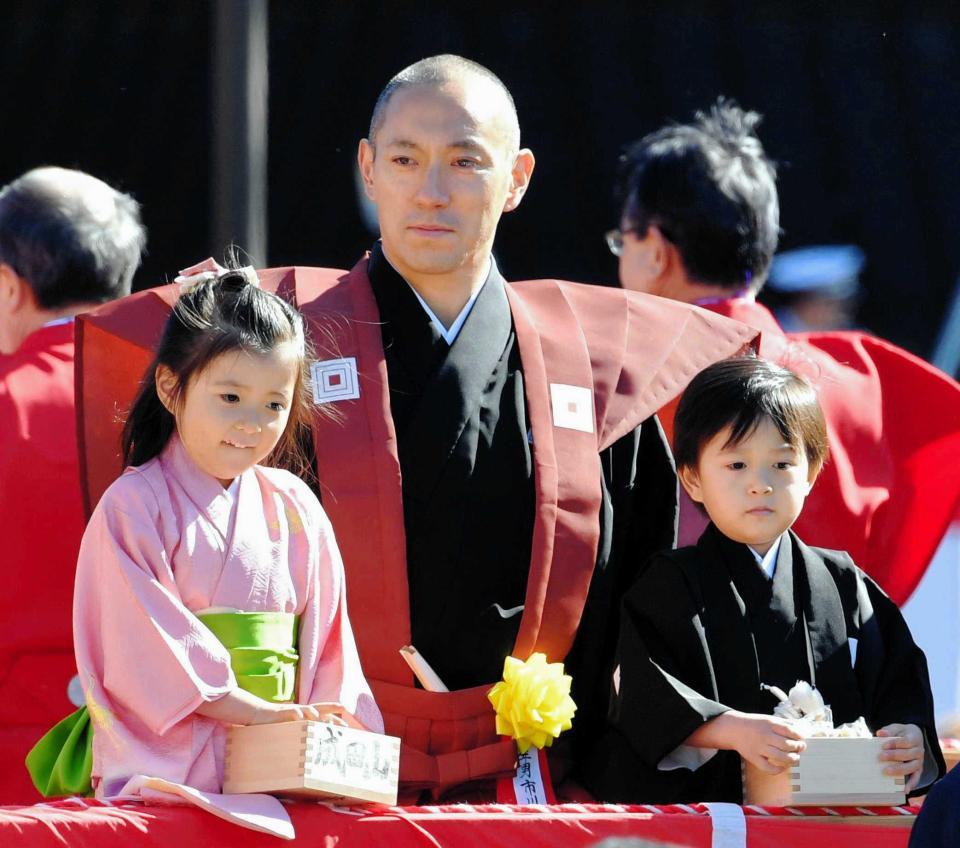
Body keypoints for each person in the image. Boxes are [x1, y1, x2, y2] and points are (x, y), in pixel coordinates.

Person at [72, 55, 757, 802]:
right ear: (368, 168)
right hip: (318, 781)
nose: (432, 191)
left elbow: (640, 598)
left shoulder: (591, 367)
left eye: (466, 161)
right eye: (405, 159)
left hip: (534, 781)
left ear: (518, 177)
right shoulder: (277, 352)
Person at [35, 266, 381, 807]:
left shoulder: (296, 506)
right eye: (230, 397)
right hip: (174, 763)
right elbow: (146, 650)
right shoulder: (134, 506)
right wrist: (252, 709)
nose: (252, 424)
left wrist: (320, 729)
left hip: (278, 763)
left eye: (274, 404)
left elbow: (329, 645)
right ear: (172, 387)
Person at [610, 100, 960, 605]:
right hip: (850, 667)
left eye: (624, 242)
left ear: (656, 251)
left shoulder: (638, 387)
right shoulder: (869, 377)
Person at [586, 356, 944, 803]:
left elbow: (898, 678)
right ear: (693, 479)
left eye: (781, 464)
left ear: (811, 473)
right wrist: (730, 729)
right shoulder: (669, 583)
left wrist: (906, 735)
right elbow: (643, 690)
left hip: (833, 809)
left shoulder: (842, 581)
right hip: (713, 813)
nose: (760, 485)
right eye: (736, 466)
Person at [0, 167, 145, 803]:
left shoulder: (9, 400)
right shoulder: (193, 398)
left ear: (8, 288)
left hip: (17, 761)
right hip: (170, 758)